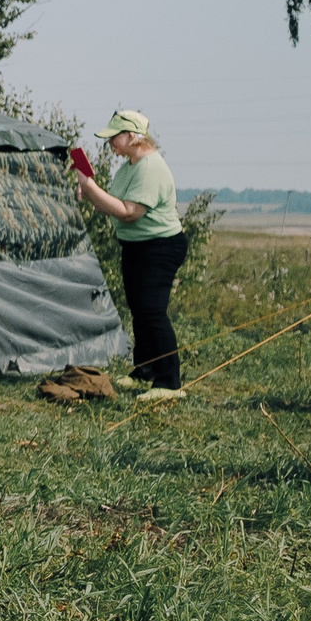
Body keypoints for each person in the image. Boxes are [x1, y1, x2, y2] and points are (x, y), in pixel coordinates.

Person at [72, 110, 187, 403]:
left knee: (151, 311)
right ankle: (145, 371)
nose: (110, 142)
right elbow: (112, 206)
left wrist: (91, 187)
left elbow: (129, 212)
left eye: (114, 136)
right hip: (137, 246)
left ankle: (170, 383)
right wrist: (91, 192)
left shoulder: (151, 168)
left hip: (160, 246)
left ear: (133, 136)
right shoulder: (128, 168)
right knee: (139, 309)